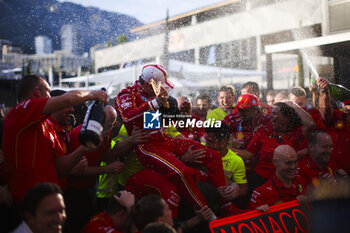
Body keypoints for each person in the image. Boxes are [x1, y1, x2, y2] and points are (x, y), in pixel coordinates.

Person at [115, 64, 236, 217]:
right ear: (148, 84)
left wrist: (180, 114)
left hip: (163, 142)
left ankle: (226, 205)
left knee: (213, 155)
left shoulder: (156, 100)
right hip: (143, 162)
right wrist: (155, 104)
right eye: (159, 87)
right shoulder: (127, 95)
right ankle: (208, 215)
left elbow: (159, 124)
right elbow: (127, 117)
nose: (162, 92)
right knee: (182, 173)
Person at [2, 74, 108, 204]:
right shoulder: (20, 112)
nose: (50, 97)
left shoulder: (47, 126)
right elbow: (68, 100)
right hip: (27, 204)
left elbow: (62, 167)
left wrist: (84, 147)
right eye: (48, 91)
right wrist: (93, 94)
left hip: (50, 202)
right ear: (36, 91)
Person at [64, 105, 124, 233]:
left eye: (109, 123)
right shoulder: (82, 135)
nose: (103, 126)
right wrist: (109, 168)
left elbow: (104, 154)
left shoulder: (107, 133)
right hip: (72, 189)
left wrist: (113, 158)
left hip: (89, 188)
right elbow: (79, 172)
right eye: (101, 121)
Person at [236, 101, 315, 190]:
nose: (270, 116)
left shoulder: (295, 133)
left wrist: (293, 104)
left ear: (287, 117)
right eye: (271, 113)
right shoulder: (264, 131)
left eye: (274, 114)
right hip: (261, 181)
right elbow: (248, 154)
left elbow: (311, 124)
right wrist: (225, 149)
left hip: (286, 181)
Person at [248, 145, 306, 211]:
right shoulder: (262, 193)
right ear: (274, 162)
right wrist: (258, 212)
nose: (293, 167)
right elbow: (250, 219)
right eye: (288, 163)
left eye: (295, 162)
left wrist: (309, 202)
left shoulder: (302, 181)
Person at [317, 77, 350, 174]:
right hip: (332, 175)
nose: (347, 106)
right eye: (345, 103)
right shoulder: (337, 115)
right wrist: (324, 91)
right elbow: (324, 113)